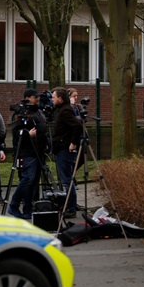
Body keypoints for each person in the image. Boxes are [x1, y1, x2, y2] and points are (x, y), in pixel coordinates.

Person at [7, 89, 49, 219]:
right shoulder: (21, 113)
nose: (37, 99)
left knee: (34, 181)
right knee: (28, 178)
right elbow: (16, 134)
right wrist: (27, 135)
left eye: (37, 97)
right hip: (27, 152)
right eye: (34, 97)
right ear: (27, 98)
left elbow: (43, 129)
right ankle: (13, 205)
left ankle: (27, 208)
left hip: (38, 151)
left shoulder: (38, 112)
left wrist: (47, 143)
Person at [51, 87, 82, 218]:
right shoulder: (61, 110)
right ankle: (69, 205)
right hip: (61, 147)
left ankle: (70, 207)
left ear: (60, 99)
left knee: (67, 180)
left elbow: (77, 126)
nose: (52, 100)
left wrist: (73, 142)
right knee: (67, 179)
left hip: (64, 149)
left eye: (54, 97)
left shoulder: (65, 111)